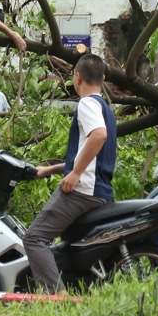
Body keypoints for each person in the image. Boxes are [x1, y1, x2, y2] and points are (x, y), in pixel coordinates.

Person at [23, 54, 117, 294]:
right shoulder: (106, 108)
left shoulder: (87, 103)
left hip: (82, 193)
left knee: (34, 239)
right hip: (101, 192)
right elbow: (93, 151)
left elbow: (98, 136)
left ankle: (58, 296)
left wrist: (74, 174)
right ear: (103, 78)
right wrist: (53, 169)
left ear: (77, 77)